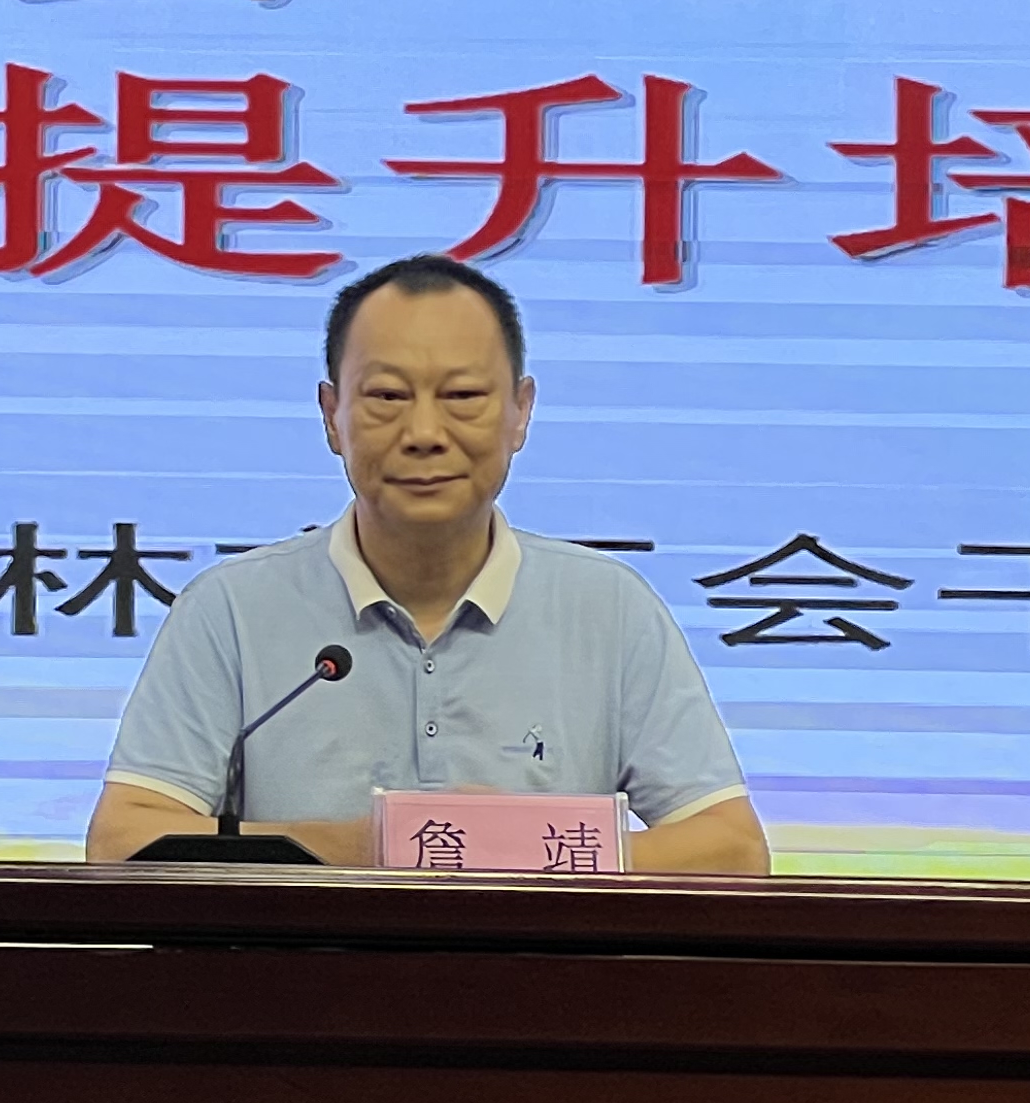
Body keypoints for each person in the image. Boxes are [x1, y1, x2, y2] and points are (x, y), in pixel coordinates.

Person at [86, 254, 767, 874]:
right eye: (387, 397)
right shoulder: (232, 609)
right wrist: (370, 847)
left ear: (520, 412)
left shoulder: (609, 608)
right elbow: (123, 840)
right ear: (331, 415)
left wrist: (510, 847)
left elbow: (731, 851)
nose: (424, 434)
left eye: (462, 397)